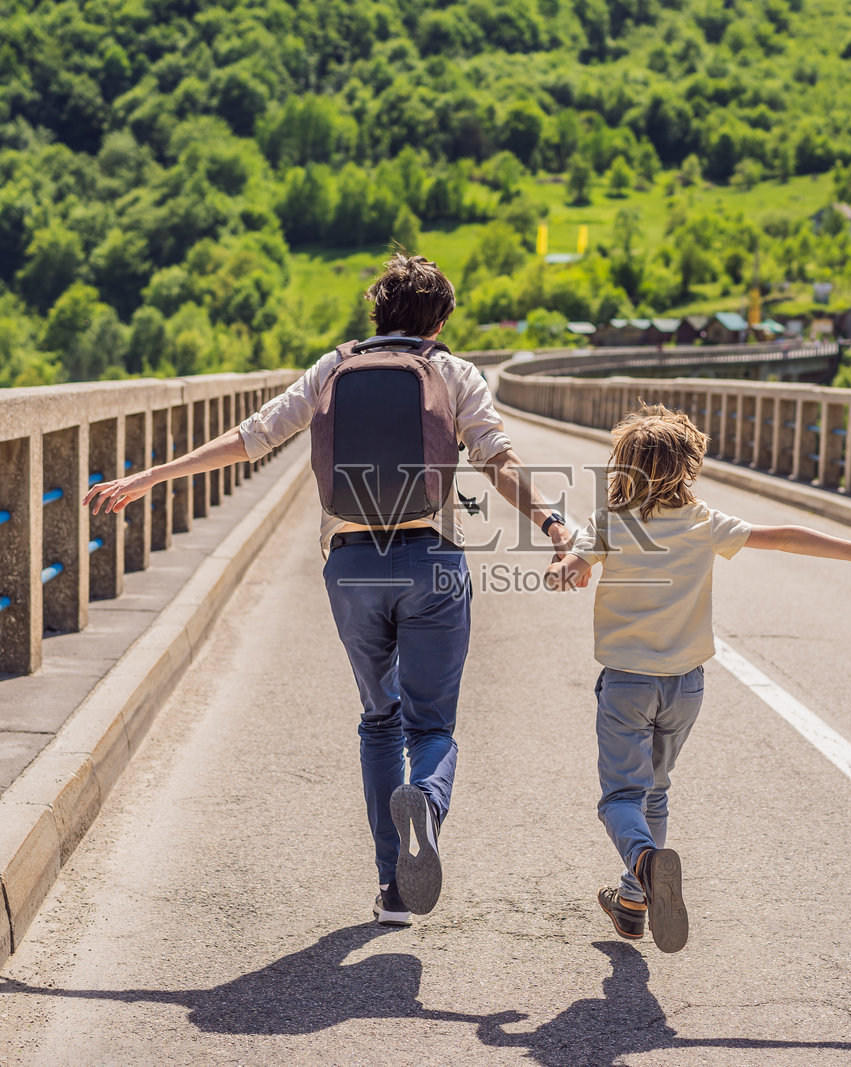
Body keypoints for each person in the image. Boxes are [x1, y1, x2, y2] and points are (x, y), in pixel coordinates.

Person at [85, 254, 574, 928]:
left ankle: (393, 888)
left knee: (381, 719)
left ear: (377, 312)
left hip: (351, 566)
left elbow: (253, 436)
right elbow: (497, 458)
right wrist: (551, 521)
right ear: (440, 321)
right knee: (430, 724)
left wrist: (152, 476)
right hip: (429, 557)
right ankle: (425, 804)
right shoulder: (453, 372)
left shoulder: (333, 367)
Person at [544, 404, 851, 953]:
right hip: (685, 687)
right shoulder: (703, 523)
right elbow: (784, 537)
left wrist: (563, 571)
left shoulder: (610, 522)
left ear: (623, 466)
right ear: (687, 467)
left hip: (627, 683)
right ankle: (632, 900)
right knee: (657, 790)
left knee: (621, 796)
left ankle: (645, 865)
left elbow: (574, 564)